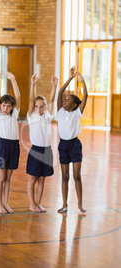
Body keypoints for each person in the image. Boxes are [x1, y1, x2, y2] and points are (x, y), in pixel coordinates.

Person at [56, 66, 88, 213]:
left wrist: (82, 82)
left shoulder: (77, 113)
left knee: (76, 175)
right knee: (64, 176)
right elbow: (60, 92)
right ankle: (64, 204)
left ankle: (80, 203)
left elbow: (85, 96)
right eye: (65, 99)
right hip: (63, 145)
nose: (64, 99)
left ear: (74, 105)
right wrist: (70, 78)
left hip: (75, 145)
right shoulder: (60, 112)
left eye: (68, 99)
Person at [26, 74, 57, 212]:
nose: (39, 109)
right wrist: (33, 85)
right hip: (36, 151)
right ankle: (32, 204)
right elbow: (32, 100)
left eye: (42, 107)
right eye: (37, 106)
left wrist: (54, 87)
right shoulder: (31, 117)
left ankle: (38, 203)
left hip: (47, 150)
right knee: (33, 178)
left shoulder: (47, 117)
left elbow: (51, 101)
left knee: (42, 179)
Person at [0, 69, 21, 214]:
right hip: (3, 146)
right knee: (1, 177)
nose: (5, 108)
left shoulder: (14, 115)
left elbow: (18, 96)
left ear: (12, 108)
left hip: (14, 146)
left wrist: (13, 79)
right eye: (3, 105)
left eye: (9, 106)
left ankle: (5, 203)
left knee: (9, 178)